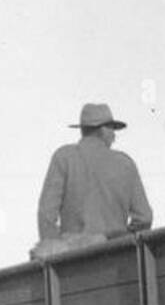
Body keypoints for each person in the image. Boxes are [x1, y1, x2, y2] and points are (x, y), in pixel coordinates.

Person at [36, 103, 153, 257]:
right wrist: (118, 238)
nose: (114, 136)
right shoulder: (125, 164)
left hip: (71, 264)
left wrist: (57, 252)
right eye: (112, 129)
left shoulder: (63, 158)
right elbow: (144, 218)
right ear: (103, 130)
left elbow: (46, 215)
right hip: (117, 258)